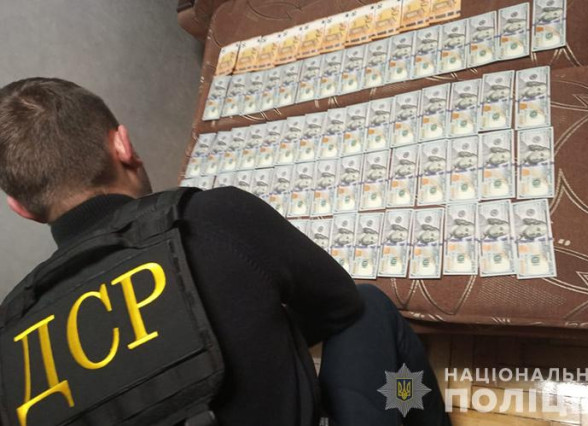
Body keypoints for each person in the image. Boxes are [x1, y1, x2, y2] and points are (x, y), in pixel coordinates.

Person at [0, 77, 449, 426]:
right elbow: (338, 304)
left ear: (21, 208)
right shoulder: (213, 217)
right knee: (369, 309)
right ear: (123, 145)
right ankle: (419, 410)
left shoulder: (9, 341)